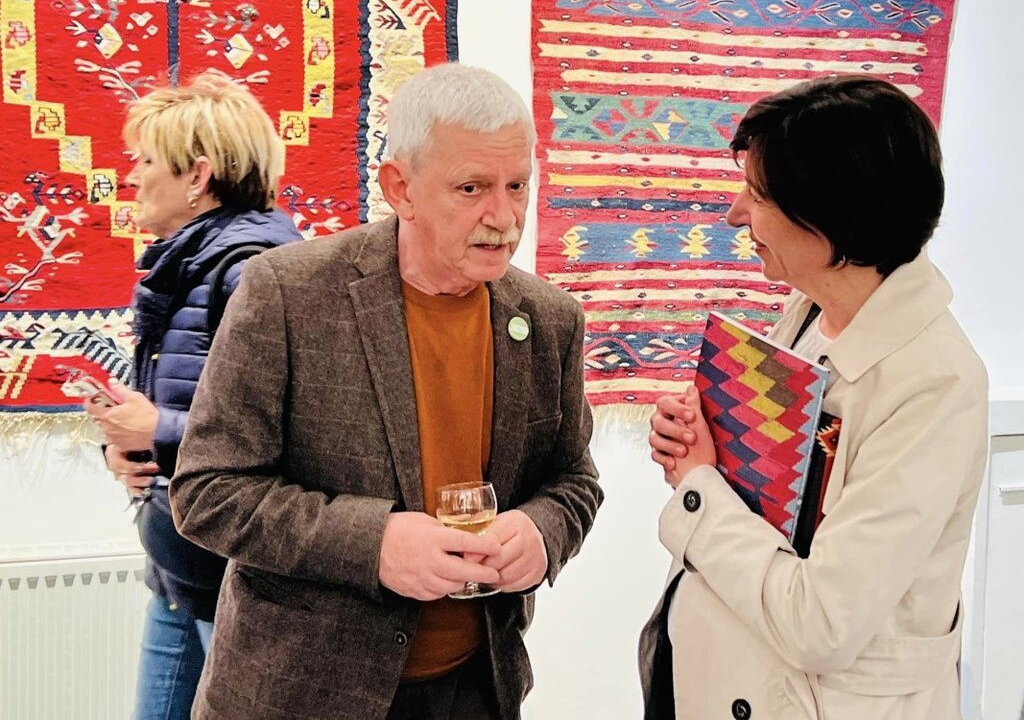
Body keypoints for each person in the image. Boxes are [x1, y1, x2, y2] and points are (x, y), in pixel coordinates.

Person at [168, 63, 603, 720]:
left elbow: (574, 480)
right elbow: (208, 491)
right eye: (471, 188)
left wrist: (542, 533)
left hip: (475, 690)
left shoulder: (550, 320)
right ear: (400, 188)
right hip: (300, 698)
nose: (504, 216)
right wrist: (374, 543)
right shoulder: (287, 294)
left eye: (517, 185)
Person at [640, 76, 987, 719]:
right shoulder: (810, 312)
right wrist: (703, 437)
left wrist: (698, 488)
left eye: (759, 195)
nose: (735, 214)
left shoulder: (935, 382)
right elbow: (773, 497)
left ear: (833, 220)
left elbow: (821, 623)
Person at [85, 72, 302, 720]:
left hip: (233, 584)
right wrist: (129, 450)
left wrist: (156, 430)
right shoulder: (189, 265)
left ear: (197, 176)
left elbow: (287, 437)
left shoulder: (251, 273)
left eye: (145, 161)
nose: (131, 177)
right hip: (184, 577)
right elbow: (194, 409)